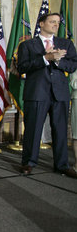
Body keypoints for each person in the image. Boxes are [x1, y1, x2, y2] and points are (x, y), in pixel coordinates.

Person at [17, 13, 77, 178]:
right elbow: (22, 67)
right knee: (33, 129)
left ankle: (62, 165)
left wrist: (57, 61)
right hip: (37, 93)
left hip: (60, 94)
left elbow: (73, 65)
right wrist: (46, 58)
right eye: (52, 22)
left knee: (60, 130)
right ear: (41, 24)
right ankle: (28, 163)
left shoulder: (66, 44)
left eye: (58, 23)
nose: (56, 25)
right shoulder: (27, 45)